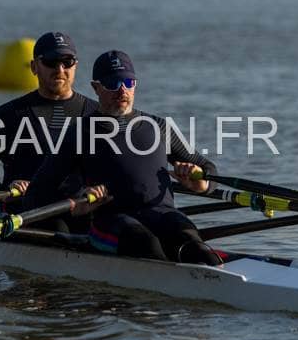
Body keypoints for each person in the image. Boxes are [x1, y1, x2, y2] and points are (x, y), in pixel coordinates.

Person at [24, 50, 221, 265]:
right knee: (146, 244)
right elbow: (36, 193)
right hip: (111, 221)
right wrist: (76, 207)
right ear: (96, 88)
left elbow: (209, 169)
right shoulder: (80, 133)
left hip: (161, 214)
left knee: (196, 248)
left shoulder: (159, 127)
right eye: (113, 84)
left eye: (128, 82)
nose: (122, 91)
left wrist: (199, 183)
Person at [0, 31, 97, 232]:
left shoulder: (96, 115)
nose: (60, 69)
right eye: (51, 62)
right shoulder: (7, 116)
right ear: (34, 67)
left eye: (67, 62)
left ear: (76, 66)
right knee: (59, 228)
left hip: (81, 209)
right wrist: (5, 193)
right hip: (26, 212)